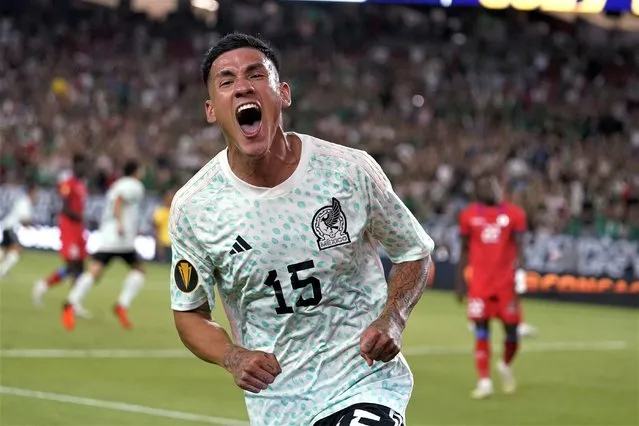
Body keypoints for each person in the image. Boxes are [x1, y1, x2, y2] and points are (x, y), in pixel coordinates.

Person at [169, 33, 434, 426]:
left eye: (256, 75)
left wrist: (393, 316)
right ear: (211, 109)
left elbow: (413, 250)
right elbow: (190, 313)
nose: (242, 85)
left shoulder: (348, 171)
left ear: (283, 94)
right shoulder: (196, 207)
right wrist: (233, 356)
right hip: (279, 406)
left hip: (363, 384)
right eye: (226, 81)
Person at [455, 172, 529, 399]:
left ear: (500, 188)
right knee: (481, 331)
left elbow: (521, 248)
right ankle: (484, 381)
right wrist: (460, 281)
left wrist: (521, 276)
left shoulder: (515, 214)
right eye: (484, 185)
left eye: (493, 183)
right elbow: (464, 250)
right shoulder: (468, 216)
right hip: (480, 286)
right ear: (477, 191)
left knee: (512, 333)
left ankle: (505, 364)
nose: (489, 188)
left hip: (505, 285)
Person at [61, 160, 146, 331]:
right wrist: (121, 224)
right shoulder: (133, 185)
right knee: (137, 271)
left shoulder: (117, 184)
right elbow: (119, 201)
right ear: (136, 172)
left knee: (96, 270)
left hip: (110, 236)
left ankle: (72, 302)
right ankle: (121, 304)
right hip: (120, 237)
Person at [33, 155, 89, 307]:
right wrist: (80, 216)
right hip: (69, 226)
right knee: (72, 266)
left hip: (78, 228)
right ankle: (43, 286)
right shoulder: (67, 184)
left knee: (81, 268)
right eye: (82, 165)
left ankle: (74, 301)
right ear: (75, 166)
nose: (84, 169)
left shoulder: (82, 185)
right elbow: (65, 207)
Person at [0, 181, 38, 279]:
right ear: (31, 193)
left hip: (8, 226)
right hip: (11, 227)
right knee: (17, 251)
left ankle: (3, 271)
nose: (36, 196)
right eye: (35, 194)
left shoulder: (24, 202)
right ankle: (2, 271)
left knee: (4, 251)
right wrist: (32, 225)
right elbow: (23, 220)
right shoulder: (25, 202)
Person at [152, 188, 174, 263]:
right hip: (163, 244)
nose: (170, 199)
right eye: (169, 197)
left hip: (173, 244)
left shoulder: (176, 212)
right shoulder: (160, 211)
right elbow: (156, 230)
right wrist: (158, 244)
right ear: (165, 198)